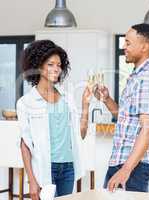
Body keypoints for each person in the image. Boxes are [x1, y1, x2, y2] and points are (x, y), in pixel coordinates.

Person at [95, 23, 149, 192]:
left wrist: (126, 170)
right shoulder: (137, 76)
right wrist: (107, 99)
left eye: (128, 42)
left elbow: (148, 128)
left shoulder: (148, 78)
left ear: (144, 46)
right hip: (125, 161)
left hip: (133, 165)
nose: (123, 47)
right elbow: (126, 117)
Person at [17, 40, 92, 199]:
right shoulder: (26, 103)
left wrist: (85, 106)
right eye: (50, 64)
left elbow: (81, 134)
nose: (56, 69)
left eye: (59, 65)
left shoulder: (67, 99)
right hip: (45, 168)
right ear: (38, 66)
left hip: (68, 168)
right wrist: (32, 180)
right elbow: (25, 145)